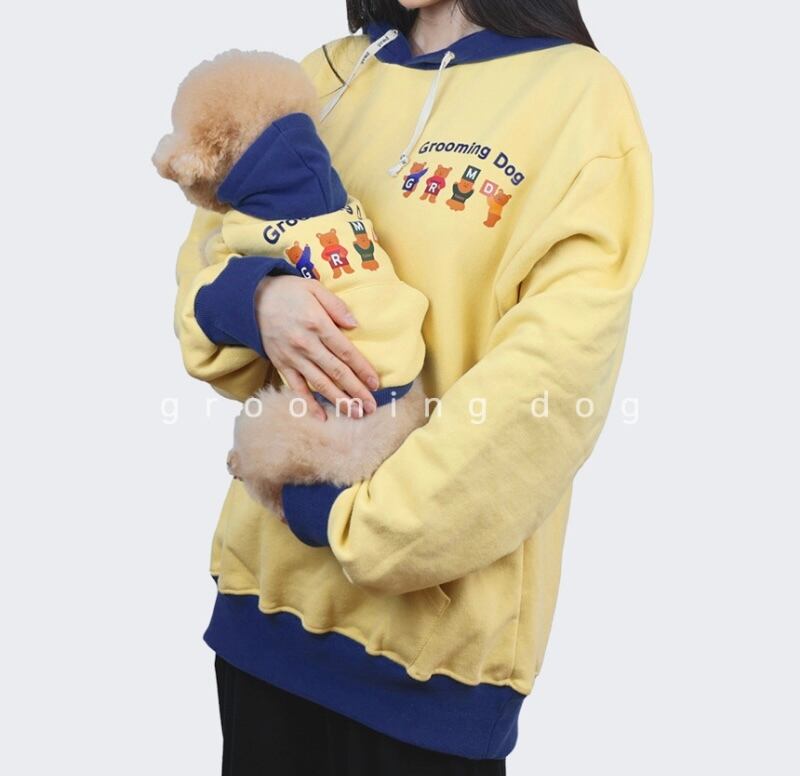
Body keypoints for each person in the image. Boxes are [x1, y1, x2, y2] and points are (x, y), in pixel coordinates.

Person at [173, 1, 652, 773]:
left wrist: (344, 520)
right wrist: (254, 301)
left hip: (430, 665)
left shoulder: (578, 98)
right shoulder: (322, 76)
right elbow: (204, 278)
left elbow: (549, 386)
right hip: (262, 619)